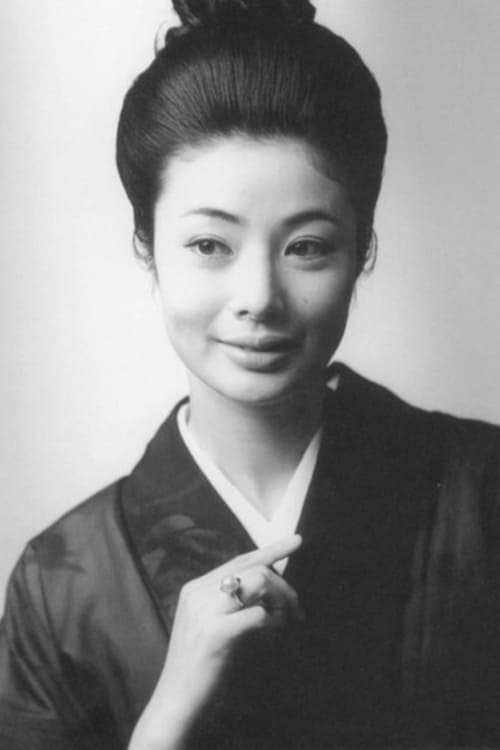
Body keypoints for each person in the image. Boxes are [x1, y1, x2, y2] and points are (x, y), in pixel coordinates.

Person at [1, 0, 500, 748]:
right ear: (148, 245)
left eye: (306, 247)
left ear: (363, 248)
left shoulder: (481, 492)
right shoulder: (61, 582)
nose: (259, 298)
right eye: (210, 245)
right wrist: (167, 714)